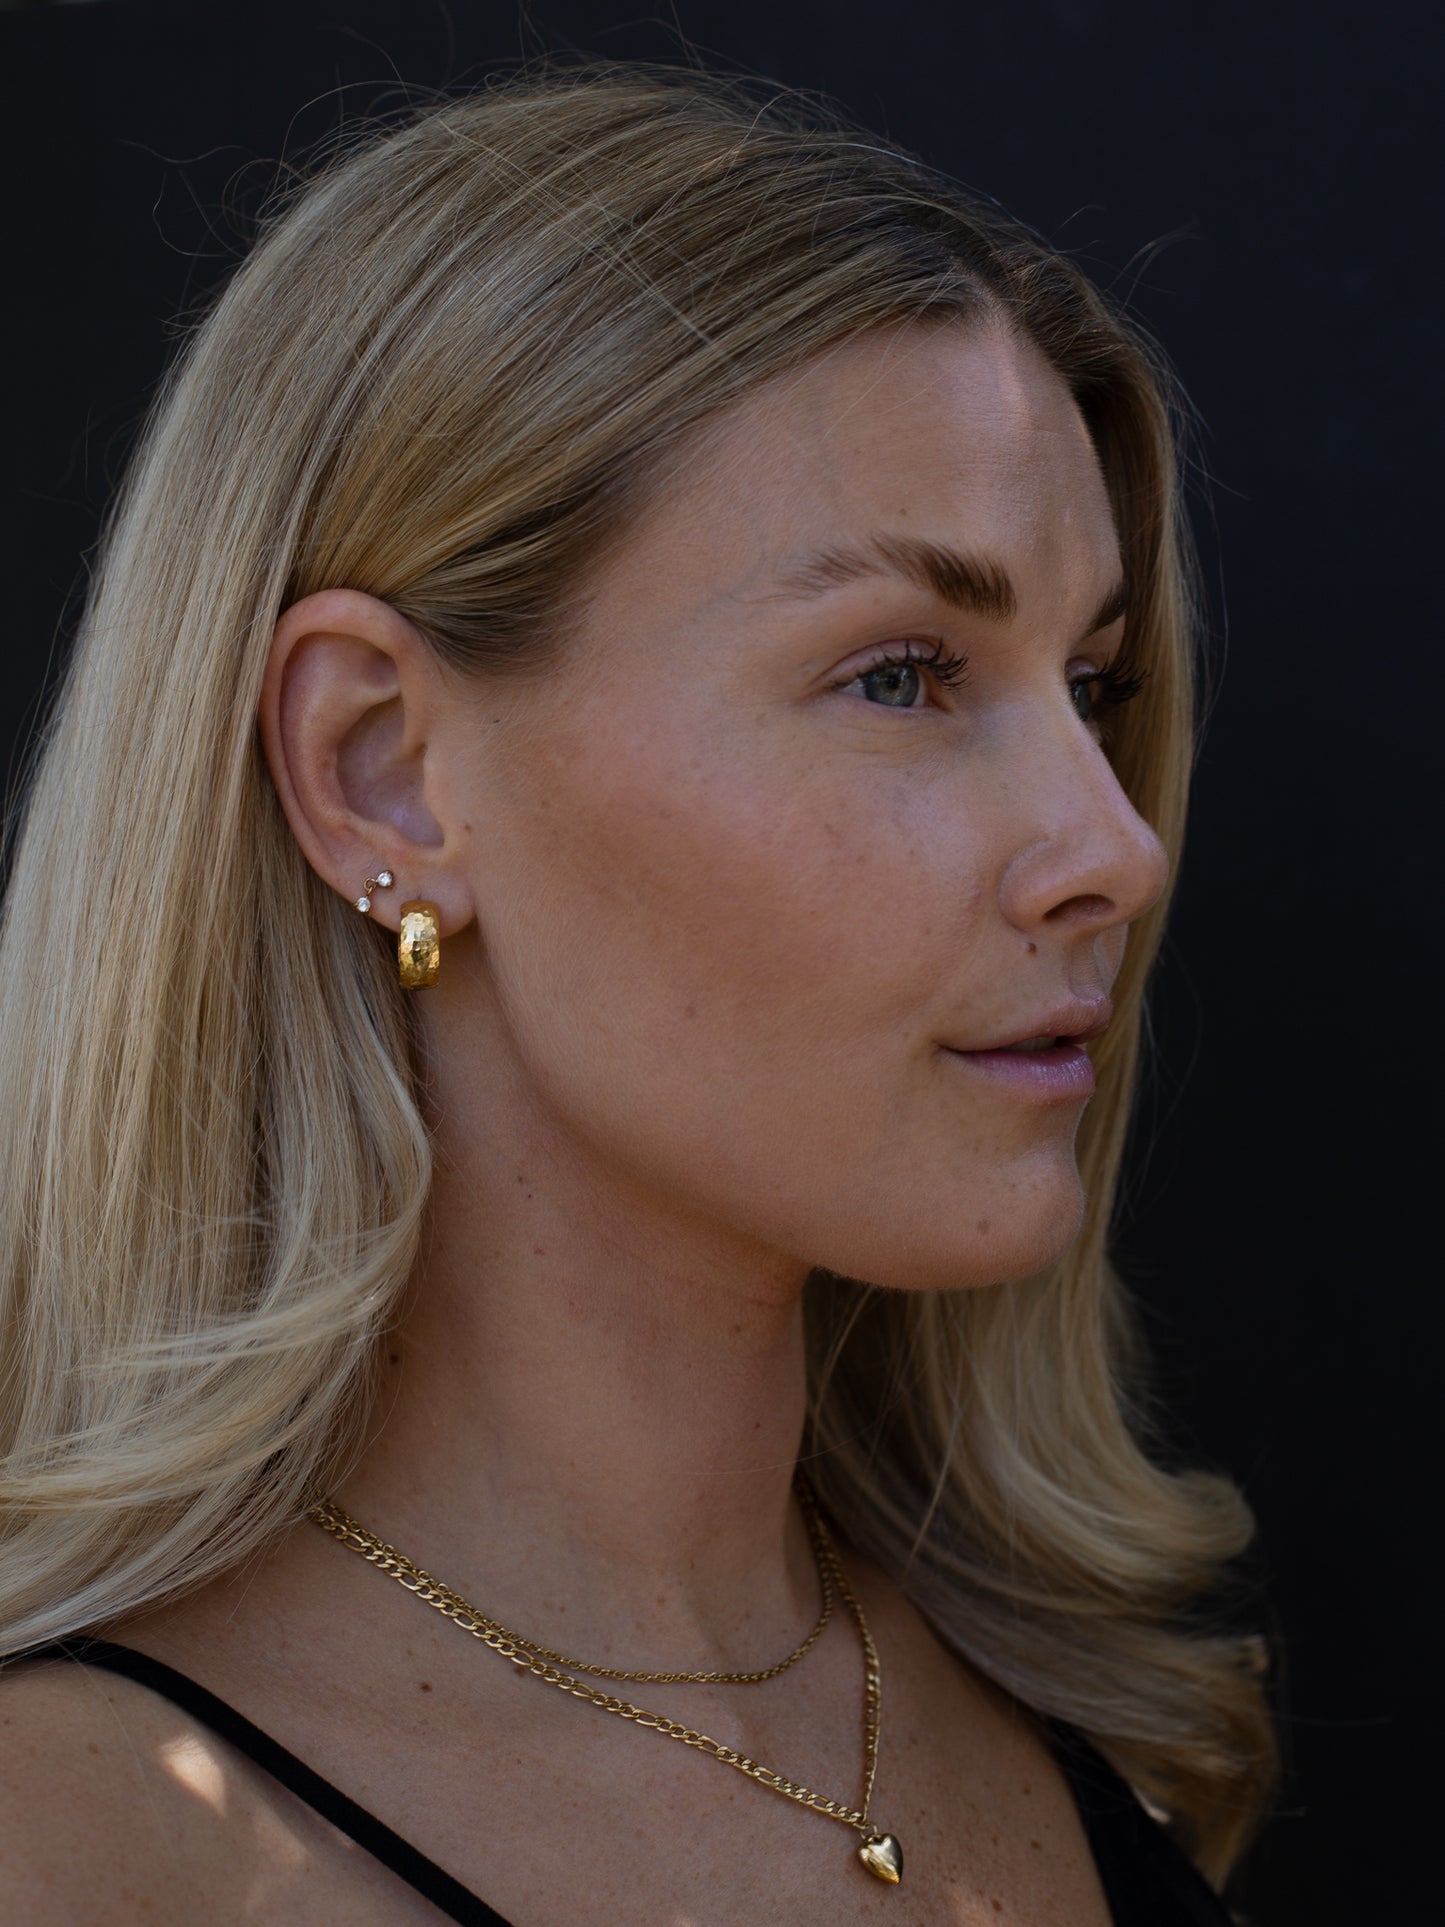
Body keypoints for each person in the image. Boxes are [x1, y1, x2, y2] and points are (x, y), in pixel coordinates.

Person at [0, 62, 1276, 1925]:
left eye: (1090, 686)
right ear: (381, 773)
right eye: (905, 676)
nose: (1112, 849)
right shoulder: (87, 1851)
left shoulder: (1088, 1733)